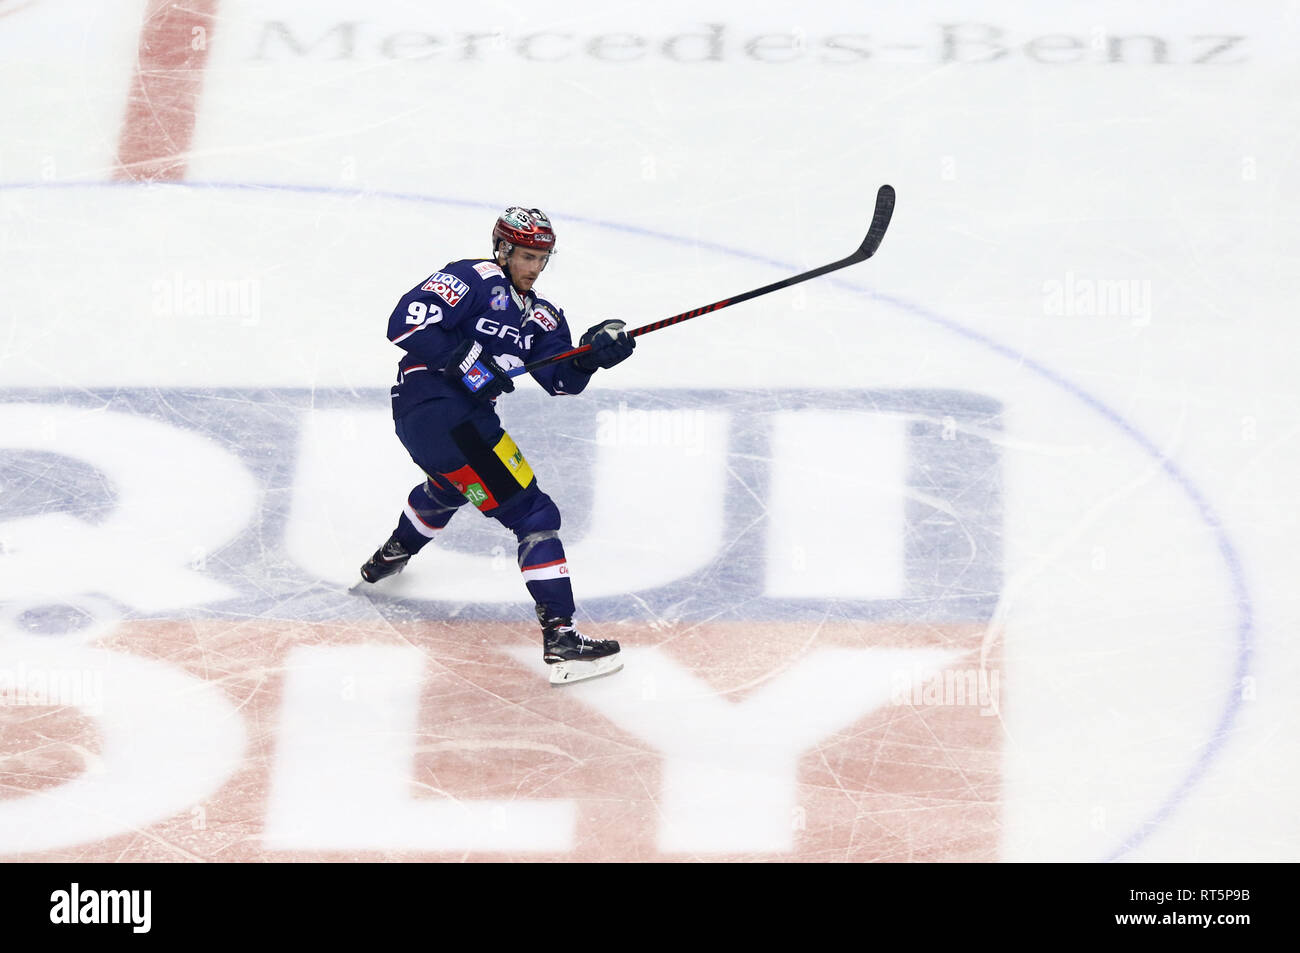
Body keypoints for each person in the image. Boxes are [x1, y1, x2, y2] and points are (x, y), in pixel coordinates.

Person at [359, 207, 635, 685]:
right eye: (526, 255)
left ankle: (391, 555)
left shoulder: (545, 317)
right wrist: (462, 358)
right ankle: (562, 638)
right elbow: (405, 322)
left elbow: (561, 382)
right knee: (534, 516)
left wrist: (592, 357)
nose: (533, 267)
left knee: (451, 487)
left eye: (542, 258)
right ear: (503, 249)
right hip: (438, 405)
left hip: (441, 425)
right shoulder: (474, 278)